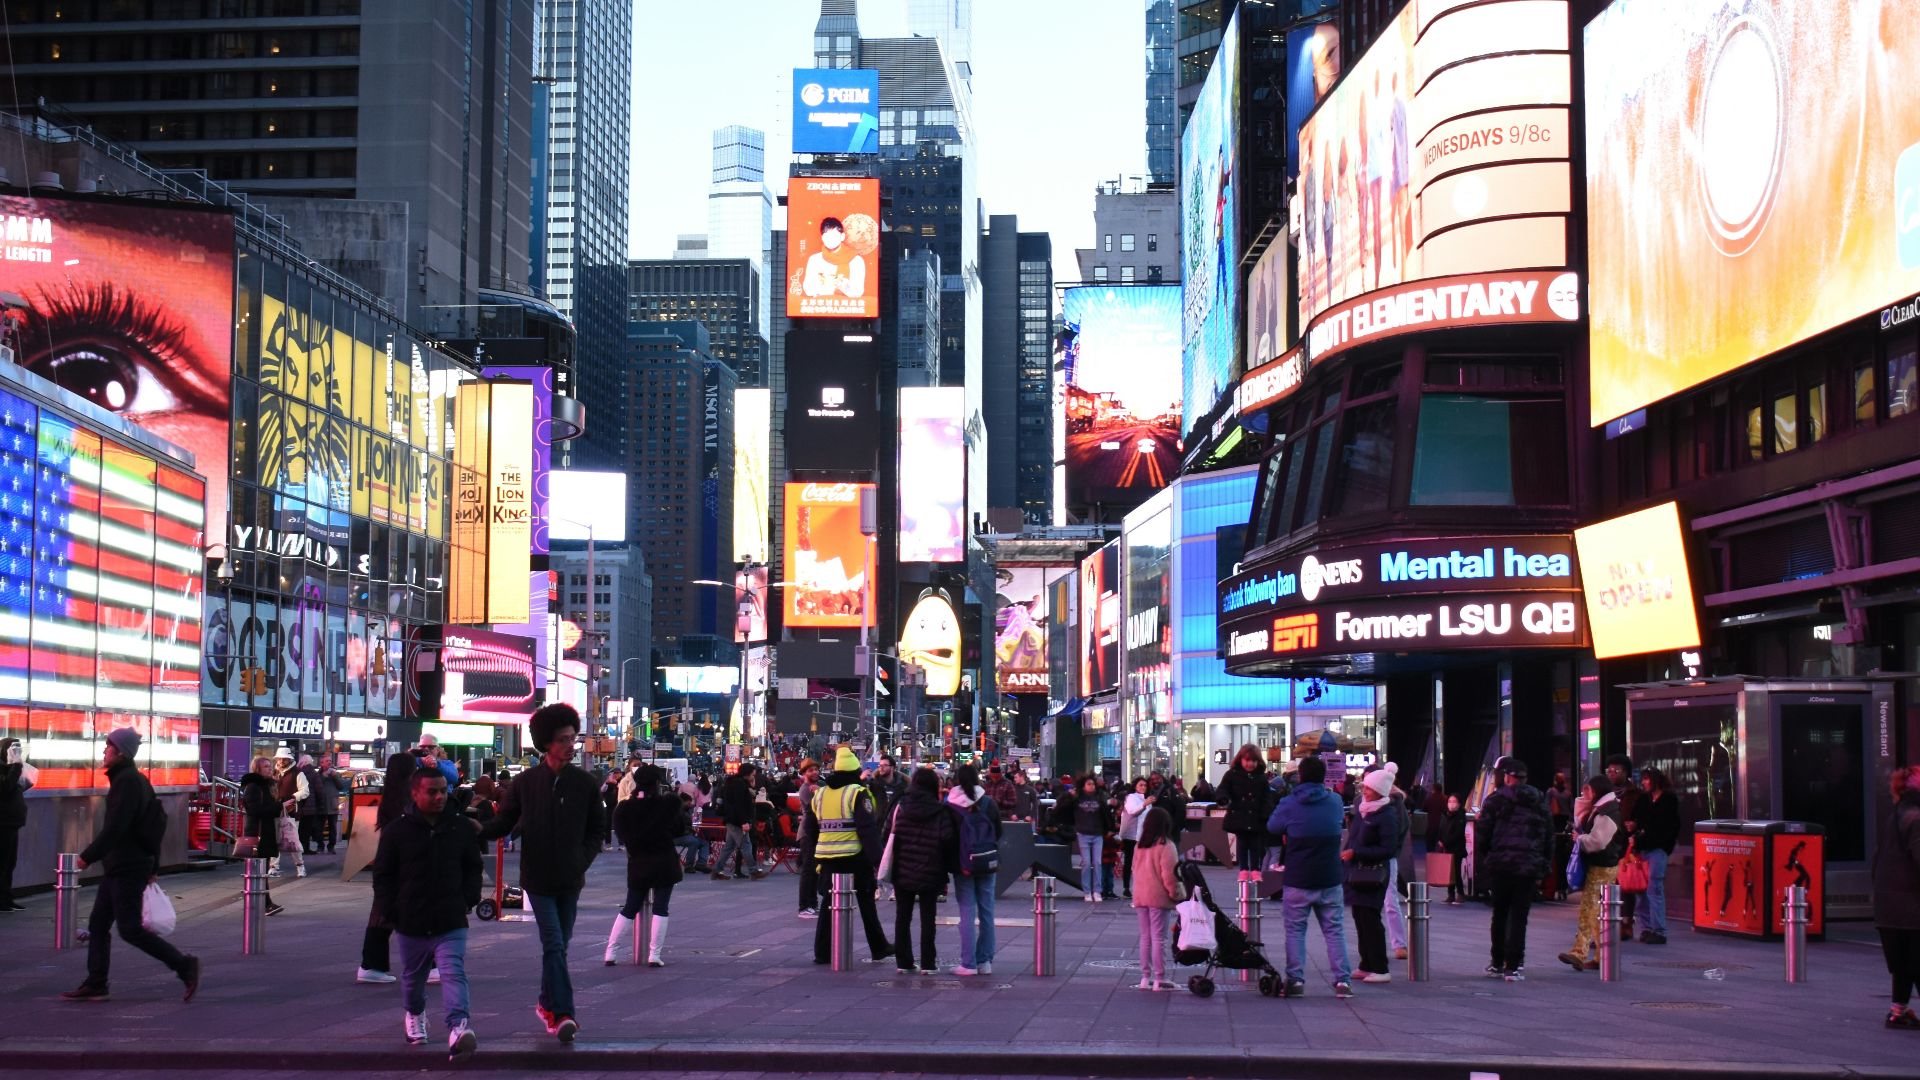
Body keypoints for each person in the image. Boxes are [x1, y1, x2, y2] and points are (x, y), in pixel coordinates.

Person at [477, 703, 603, 1043]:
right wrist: (478, 828)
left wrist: (581, 860)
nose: (569, 745)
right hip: (537, 879)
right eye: (563, 739)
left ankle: (546, 1002)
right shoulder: (526, 782)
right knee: (554, 943)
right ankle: (563, 1014)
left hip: (571, 878)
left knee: (560, 946)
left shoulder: (585, 784)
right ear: (546, 742)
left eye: (572, 738)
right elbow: (505, 821)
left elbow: (597, 830)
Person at [60, 728, 201, 1003]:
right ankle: (96, 982)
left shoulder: (127, 782)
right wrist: (153, 865)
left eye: (108, 746)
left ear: (120, 752)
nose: (104, 751)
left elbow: (117, 827)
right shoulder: (133, 780)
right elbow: (154, 822)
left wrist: (88, 855)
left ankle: (184, 965)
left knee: (130, 929)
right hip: (123, 865)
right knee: (98, 924)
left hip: (127, 866)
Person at [372, 765, 482, 1058]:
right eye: (432, 792)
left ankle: (458, 1026)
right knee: (413, 978)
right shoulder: (397, 830)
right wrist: (391, 909)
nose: (439, 797)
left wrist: (468, 899)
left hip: (451, 917)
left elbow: (473, 867)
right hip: (412, 918)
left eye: (443, 791)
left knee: (453, 971)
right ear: (415, 793)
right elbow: (383, 874)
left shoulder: (460, 827)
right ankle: (414, 1014)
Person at [1265, 754, 1352, 999]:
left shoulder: (1290, 802)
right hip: (1330, 876)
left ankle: (1295, 980)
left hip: (1298, 876)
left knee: (1295, 931)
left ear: (1300, 776)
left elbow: (1272, 827)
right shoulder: (1335, 801)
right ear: (1323, 777)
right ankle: (1342, 981)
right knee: (1334, 930)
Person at [806, 746, 893, 965]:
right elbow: (867, 831)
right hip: (854, 857)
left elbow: (810, 827)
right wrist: (879, 862)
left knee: (828, 903)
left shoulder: (821, 794)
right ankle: (879, 947)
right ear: (855, 771)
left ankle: (822, 952)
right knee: (866, 903)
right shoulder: (857, 793)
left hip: (827, 858)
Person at [1475, 756, 1551, 981]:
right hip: (1528, 867)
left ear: (1507, 777)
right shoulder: (1538, 800)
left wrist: (1489, 856)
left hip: (1501, 865)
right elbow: (1548, 835)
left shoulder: (1495, 800)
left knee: (1499, 914)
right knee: (1519, 916)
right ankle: (1514, 966)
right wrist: (1544, 863)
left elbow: (1483, 834)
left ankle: (1497, 962)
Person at [604, 764, 685, 968]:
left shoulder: (624, 808)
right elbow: (679, 829)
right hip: (664, 860)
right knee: (661, 907)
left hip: (638, 861)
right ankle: (654, 955)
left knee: (630, 906)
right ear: (658, 783)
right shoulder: (668, 804)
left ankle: (610, 952)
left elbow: (621, 835)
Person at [886, 766, 957, 974]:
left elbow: (888, 832)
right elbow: (948, 839)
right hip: (931, 869)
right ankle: (928, 962)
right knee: (928, 918)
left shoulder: (901, 806)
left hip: (903, 869)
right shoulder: (940, 810)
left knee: (903, 917)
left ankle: (904, 962)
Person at [358, 753, 417, 983]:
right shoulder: (408, 797)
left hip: (390, 864)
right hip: (403, 865)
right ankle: (428, 965)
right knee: (417, 913)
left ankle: (372, 965)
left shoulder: (391, 795)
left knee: (383, 915)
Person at [1559, 775, 1627, 973]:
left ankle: (1579, 952)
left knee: (1588, 909)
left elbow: (1598, 842)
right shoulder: (1603, 808)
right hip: (1601, 864)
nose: (1583, 794)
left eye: (1587, 791)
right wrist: (1583, 801)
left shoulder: (1607, 812)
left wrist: (1580, 839)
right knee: (1596, 912)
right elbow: (1580, 813)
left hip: (1602, 865)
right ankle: (1600, 956)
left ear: (1597, 791)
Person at [1345, 765, 1405, 983]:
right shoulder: (1364, 809)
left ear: (1380, 790)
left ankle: (1380, 967)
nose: (1365, 792)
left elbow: (1387, 849)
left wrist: (1356, 852)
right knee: (1359, 916)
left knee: (1370, 918)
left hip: (1374, 873)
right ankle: (1366, 963)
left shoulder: (1386, 814)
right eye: (1364, 788)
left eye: (1369, 789)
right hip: (1358, 871)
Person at [1872, 764, 1920, 1029]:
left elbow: (1877, 860)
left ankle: (1897, 1011)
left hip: (1887, 906)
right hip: (1912, 906)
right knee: (1916, 961)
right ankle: (1898, 1011)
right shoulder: (1916, 818)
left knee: (1903, 964)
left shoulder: (1894, 816)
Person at [947, 762, 1002, 975]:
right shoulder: (988, 802)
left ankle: (968, 963)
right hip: (987, 862)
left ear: (957, 780)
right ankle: (985, 961)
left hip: (963, 866)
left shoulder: (951, 804)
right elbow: (998, 831)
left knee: (967, 913)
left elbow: (948, 838)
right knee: (987, 911)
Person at [1131, 806, 1182, 992]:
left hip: (1141, 894)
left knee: (1145, 937)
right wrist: (1176, 895)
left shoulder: (1140, 844)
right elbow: (1170, 875)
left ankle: (1145, 976)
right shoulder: (1166, 846)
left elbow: (1134, 869)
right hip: (1158, 896)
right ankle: (1159, 978)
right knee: (1159, 938)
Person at [1633, 767, 1679, 945]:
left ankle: (1658, 930)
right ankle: (1647, 928)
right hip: (1643, 848)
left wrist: (1666, 846)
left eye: (1646, 779)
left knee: (1654, 887)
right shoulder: (1643, 799)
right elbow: (1636, 819)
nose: (1643, 782)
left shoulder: (1668, 799)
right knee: (1641, 889)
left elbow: (1671, 826)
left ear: (1655, 781)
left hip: (1657, 849)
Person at [240, 756, 289, 919]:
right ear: (258, 769)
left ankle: (263, 903)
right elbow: (255, 810)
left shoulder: (266, 786)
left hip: (265, 833)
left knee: (261, 871)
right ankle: (264, 904)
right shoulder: (254, 786)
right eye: (266, 766)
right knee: (259, 871)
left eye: (270, 766)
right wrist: (279, 806)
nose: (270, 768)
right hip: (257, 834)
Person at [1218, 745, 1274, 872]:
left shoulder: (1261, 777)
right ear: (1241, 759)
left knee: (1255, 844)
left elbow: (1267, 797)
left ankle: (1255, 869)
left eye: (1253, 761)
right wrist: (1223, 798)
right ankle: (1244, 869)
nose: (1250, 764)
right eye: (1247, 760)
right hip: (1240, 816)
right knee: (1242, 843)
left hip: (1256, 817)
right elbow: (1223, 788)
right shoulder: (1232, 775)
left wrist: (1266, 812)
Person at [709, 766, 767, 881]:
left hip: (731, 819)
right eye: (752, 775)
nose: (753, 777)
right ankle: (753, 870)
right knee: (746, 845)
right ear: (746, 774)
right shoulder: (739, 785)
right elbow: (739, 805)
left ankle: (717, 870)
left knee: (729, 847)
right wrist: (744, 821)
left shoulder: (733, 782)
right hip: (736, 821)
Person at [1606, 754, 1641, 938]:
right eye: (1609, 771)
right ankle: (1607, 923)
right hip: (1606, 844)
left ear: (1626, 772)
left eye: (1616, 771)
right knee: (1606, 884)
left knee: (1625, 885)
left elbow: (1642, 817)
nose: (1612, 774)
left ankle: (1627, 923)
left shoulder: (1635, 794)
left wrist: (1634, 825)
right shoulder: (1604, 792)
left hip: (1624, 845)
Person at [1063, 775, 1113, 902]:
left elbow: (1106, 814)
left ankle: (1097, 891)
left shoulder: (1100, 798)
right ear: (1083, 786)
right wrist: (1068, 795)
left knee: (1097, 863)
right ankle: (1087, 891)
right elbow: (1064, 807)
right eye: (1089, 784)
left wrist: (1109, 829)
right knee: (1086, 863)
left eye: (1093, 784)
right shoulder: (1077, 799)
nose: (1092, 786)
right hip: (1083, 833)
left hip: (1097, 834)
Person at [0, 737, 28, 911]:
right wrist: (16, 766)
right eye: (13, 749)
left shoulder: (12, 767)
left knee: (10, 863)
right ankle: (1, 900)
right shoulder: (7, 767)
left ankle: (7, 897)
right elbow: (6, 787)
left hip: (13, 822)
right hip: (3, 823)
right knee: (2, 863)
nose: (16, 753)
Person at [270, 750, 307, 878]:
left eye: (284, 759)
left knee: (293, 840)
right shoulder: (274, 773)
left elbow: (305, 791)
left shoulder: (297, 773)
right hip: (276, 810)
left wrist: (292, 797)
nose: (281, 761)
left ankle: (300, 866)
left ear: (290, 760)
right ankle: (273, 866)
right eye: (279, 759)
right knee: (275, 840)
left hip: (291, 811)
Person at [794, 758, 822, 918]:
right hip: (807, 833)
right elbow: (817, 807)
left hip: (815, 832)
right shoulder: (805, 789)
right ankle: (804, 906)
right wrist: (819, 793)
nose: (815, 772)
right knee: (808, 870)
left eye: (816, 769)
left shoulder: (816, 788)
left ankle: (812, 903)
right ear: (804, 774)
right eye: (810, 770)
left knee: (814, 871)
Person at [1118, 777, 1151, 899]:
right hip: (1131, 834)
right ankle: (1126, 887)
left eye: (1145, 785)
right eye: (1141, 785)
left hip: (1142, 834)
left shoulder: (1146, 800)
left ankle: (1139, 887)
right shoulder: (1131, 797)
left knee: (1140, 862)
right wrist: (1144, 804)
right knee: (1129, 861)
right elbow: (1133, 811)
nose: (1143, 787)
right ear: (1135, 786)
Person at [1437, 794, 1469, 904]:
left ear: (1459, 804)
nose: (1451, 803)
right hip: (1446, 848)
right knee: (1449, 872)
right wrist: (1440, 840)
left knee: (1456, 872)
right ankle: (1450, 894)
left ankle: (1460, 894)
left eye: (1454, 801)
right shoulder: (1445, 815)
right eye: (1450, 801)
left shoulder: (1461, 816)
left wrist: (1445, 842)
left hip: (1456, 848)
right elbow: (1441, 829)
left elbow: (1458, 833)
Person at [672, 793, 712, 872]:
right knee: (694, 842)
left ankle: (701, 864)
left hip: (684, 834)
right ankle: (689, 866)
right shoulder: (677, 812)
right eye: (689, 803)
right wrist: (690, 831)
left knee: (705, 842)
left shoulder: (685, 811)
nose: (690, 804)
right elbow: (679, 828)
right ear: (683, 802)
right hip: (677, 836)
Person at [296, 754, 323, 854]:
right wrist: (320, 803)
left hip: (298, 805)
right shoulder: (313, 773)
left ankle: (297, 847)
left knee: (299, 828)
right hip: (310, 806)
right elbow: (319, 790)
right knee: (307, 829)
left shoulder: (297, 772)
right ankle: (305, 848)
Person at [315, 759, 343, 854]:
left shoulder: (335, 774)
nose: (329, 762)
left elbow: (340, 786)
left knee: (333, 827)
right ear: (321, 763)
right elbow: (316, 786)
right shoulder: (318, 775)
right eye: (327, 761)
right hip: (321, 804)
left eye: (330, 761)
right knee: (319, 827)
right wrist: (323, 776)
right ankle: (320, 846)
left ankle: (331, 846)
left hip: (333, 804)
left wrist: (335, 776)